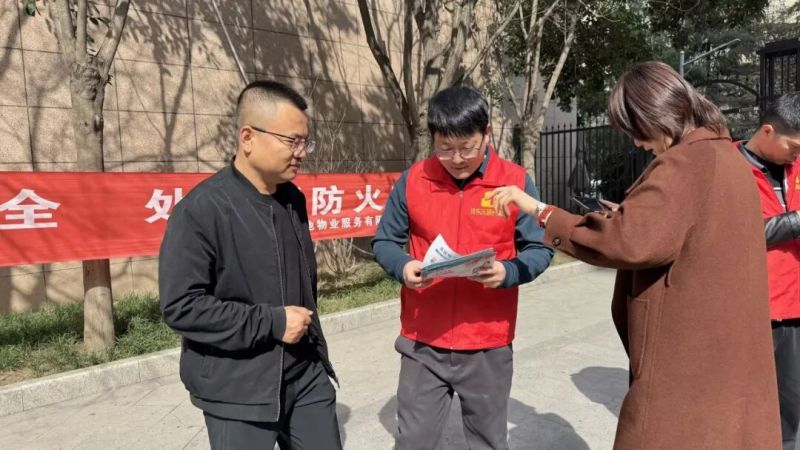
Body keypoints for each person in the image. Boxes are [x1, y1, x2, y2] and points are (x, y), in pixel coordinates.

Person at [490, 61, 782, 449]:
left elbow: (625, 241)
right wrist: (631, 216)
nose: (637, 143)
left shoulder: (684, 163)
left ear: (655, 114)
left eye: (635, 131)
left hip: (685, 358)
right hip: (722, 352)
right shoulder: (727, 158)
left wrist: (538, 210)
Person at [158, 80, 342, 450]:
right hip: (237, 389)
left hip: (305, 374)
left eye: (305, 142)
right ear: (248, 137)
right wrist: (272, 322)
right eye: (292, 141)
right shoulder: (202, 210)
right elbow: (181, 306)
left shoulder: (292, 199)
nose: (301, 153)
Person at [372, 85, 554, 450]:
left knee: (488, 441)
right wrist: (404, 266)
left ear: (486, 133)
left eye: (467, 147)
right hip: (423, 341)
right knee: (413, 442)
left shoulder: (514, 182)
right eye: (445, 148)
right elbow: (385, 242)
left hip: (488, 342)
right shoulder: (414, 180)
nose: (456, 159)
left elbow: (539, 247)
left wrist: (508, 272)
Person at [736, 92, 800, 450]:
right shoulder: (730, 169)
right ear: (767, 131)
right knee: (742, 401)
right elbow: (735, 233)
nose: (796, 155)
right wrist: (796, 222)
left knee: (789, 409)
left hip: (794, 309)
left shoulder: (797, 168)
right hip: (748, 309)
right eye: (794, 146)